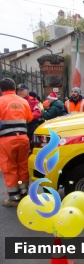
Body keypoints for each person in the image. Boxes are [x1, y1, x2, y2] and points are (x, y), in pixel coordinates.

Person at [0, 78, 33, 207]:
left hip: (6, 140)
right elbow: (29, 118)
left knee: (9, 167)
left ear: (2, 89)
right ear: (14, 88)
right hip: (23, 138)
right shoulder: (23, 101)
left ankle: (14, 197)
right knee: (23, 165)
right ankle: (24, 192)